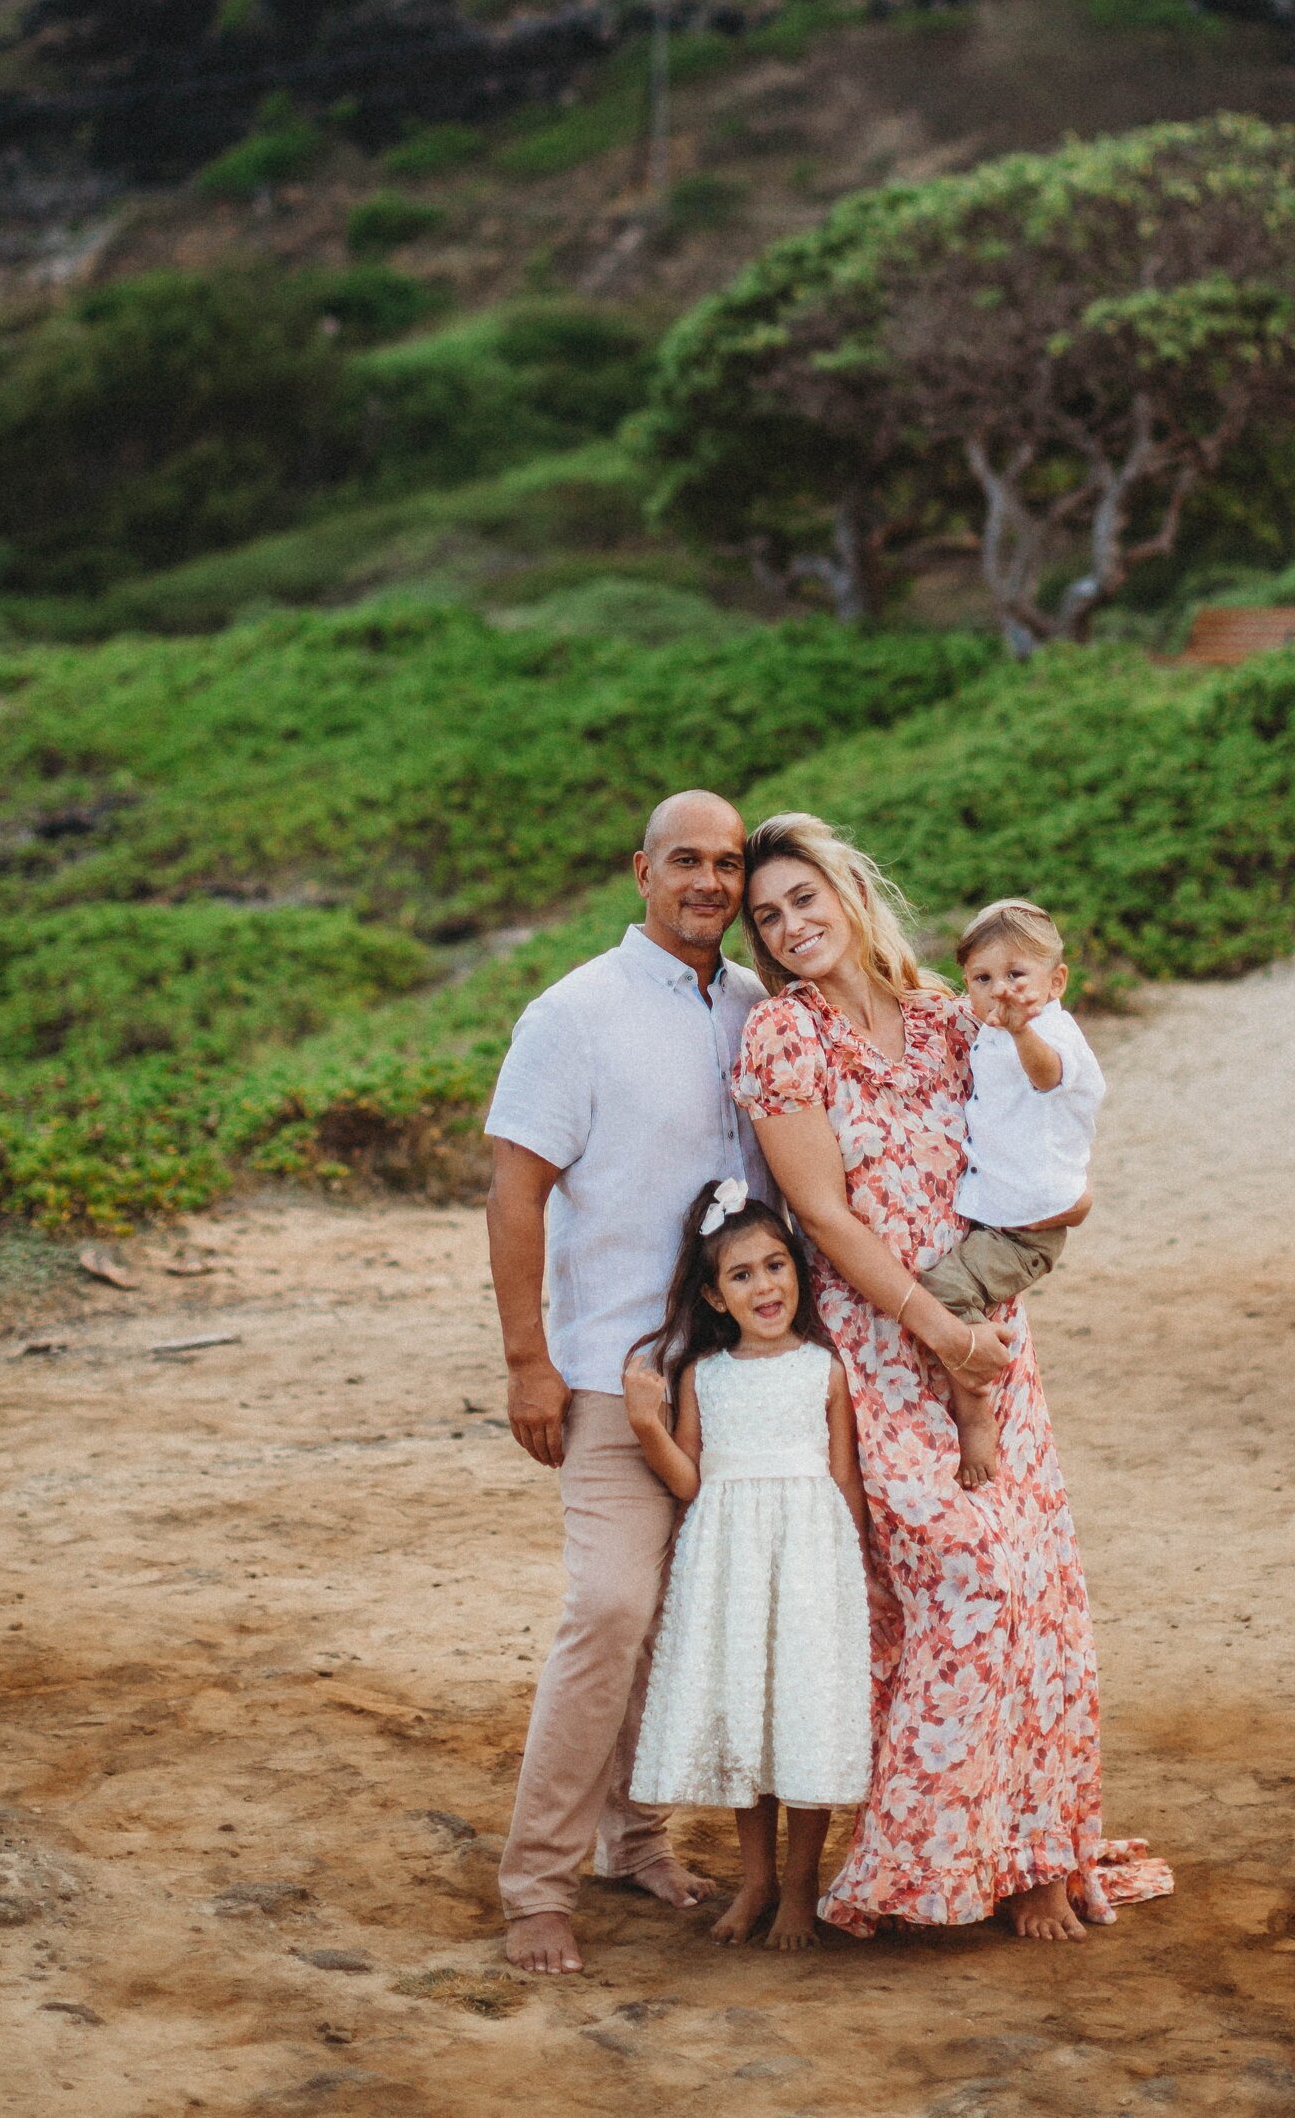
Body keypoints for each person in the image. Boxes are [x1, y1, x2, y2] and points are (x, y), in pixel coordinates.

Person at [735, 810, 1171, 1943]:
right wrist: (931, 1324)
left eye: (802, 899)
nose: (787, 927)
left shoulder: (946, 1015)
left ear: (847, 891)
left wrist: (1065, 1203)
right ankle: (916, 1861)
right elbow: (822, 1215)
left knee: (1037, 1590)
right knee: (962, 1582)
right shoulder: (783, 1038)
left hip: (991, 1334)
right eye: (766, 914)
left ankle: (1033, 1858)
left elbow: (1041, 1122)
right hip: (887, 1350)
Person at [484, 788, 771, 1978]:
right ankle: (534, 1883)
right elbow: (515, 1193)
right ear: (639, 871)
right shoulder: (572, 1014)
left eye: (728, 862)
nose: (710, 880)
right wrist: (525, 1365)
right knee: (608, 1608)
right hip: (611, 1370)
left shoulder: (756, 1004)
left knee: (668, 1621)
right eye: (686, 860)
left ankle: (631, 1836)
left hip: (733, 1378)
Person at [623, 1179, 873, 1953]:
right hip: (730, 1565)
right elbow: (691, 1481)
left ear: (798, 1271)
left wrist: (849, 1579)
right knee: (751, 1719)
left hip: (807, 1563)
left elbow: (845, 1480)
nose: (765, 1284)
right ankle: (755, 1878)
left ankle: (799, 1888)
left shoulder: (823, 1370)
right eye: (742, 1274)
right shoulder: (705, 1374)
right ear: (715, 1294)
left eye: (775, 1265)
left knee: (801, 1719)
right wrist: (645, 1423)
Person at [921, 897, 1103, 1489]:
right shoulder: (990, 1029)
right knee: (957, 1285)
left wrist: (1024, 1029)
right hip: (1005, 1214)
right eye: (983, 978)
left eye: (1016, 976)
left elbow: (1047, 1077)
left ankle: (977, 1409)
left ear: (1057, 982)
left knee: (944, 1291)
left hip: (1028, 1227)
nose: (1001, 992)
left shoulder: (1048, 1031)